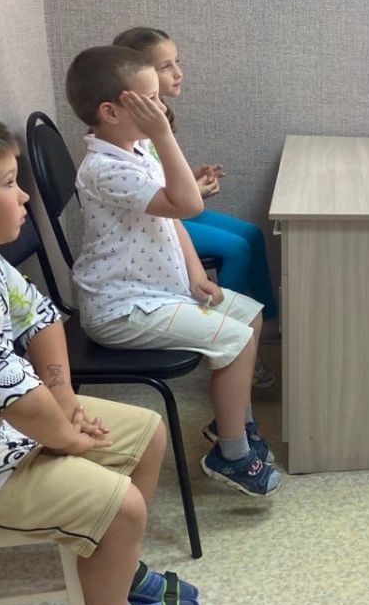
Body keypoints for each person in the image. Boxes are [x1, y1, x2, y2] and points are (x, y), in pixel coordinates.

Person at [0, 113, 200, 605]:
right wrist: (65, 436)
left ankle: (115, 567)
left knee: (147, 432)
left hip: (4, 431)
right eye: (8, 183)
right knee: (122, 503)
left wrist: (66, 402)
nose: (24, 195)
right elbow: (16, 397)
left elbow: (42, 318)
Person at [66, 46, 282, 497]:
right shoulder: (105, 168)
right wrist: (164, 135)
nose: (161, 108)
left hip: (160, 291)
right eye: (149, 101)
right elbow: (188, 203)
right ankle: (232, 454)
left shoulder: (136, 148)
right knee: (235, 340)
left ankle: (233, 421)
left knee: (250, 315)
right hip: (123, 308)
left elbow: (173, 215)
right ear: (110, 112)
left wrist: (195, 273)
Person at [113, 26, 277, 390]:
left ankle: (268, 326)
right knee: (236, 248)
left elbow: (162, 176)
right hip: (161, 220)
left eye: (177, 62)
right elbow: (160, 198)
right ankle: (234, 337)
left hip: (172, 207)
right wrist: (192, 193)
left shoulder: (158, 117)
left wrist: (194, 180)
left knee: (251, 233)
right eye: (165, 66)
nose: (178, 73)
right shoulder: (134, 130)